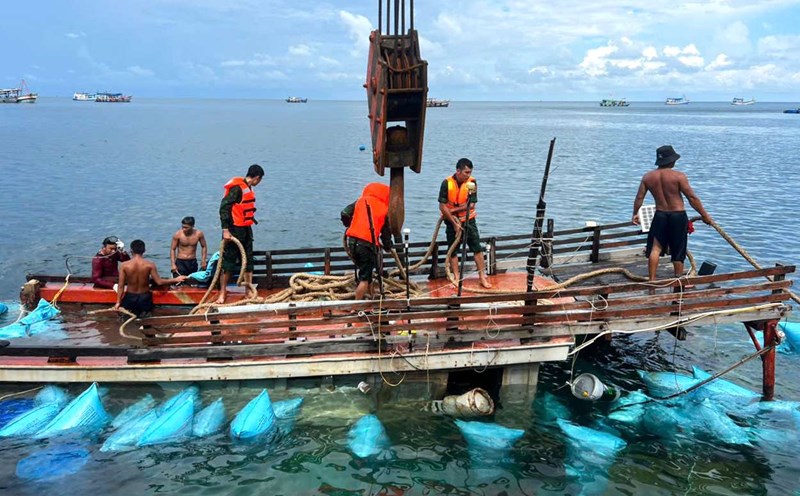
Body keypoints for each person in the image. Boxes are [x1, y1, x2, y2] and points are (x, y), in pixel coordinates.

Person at [632, 145, 712, 281]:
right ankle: (678, 279)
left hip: (660, 215)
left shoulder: (648, 177)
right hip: (677, 215)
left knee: (655, 249)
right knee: (678, 249)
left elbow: (639, 197)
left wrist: (635, 213)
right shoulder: (679, 176)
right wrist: (705, 215)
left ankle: (652, 279)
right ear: (671, 161)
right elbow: (692, 198)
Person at [438, 158, 492, 288]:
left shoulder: (472, 183)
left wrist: (454, 209)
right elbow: (442, 206)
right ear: (458, 171)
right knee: (453, 249)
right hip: (451, 221)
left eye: (470, 172)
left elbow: (471, 204)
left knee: (477, 248)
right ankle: (456, 277)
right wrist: (454, 222)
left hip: (468, 219)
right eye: (466, 172)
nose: (468, 175)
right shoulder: (446, 183)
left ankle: (482, 277)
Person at [217, 164, 264, 303]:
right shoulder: (237, 188)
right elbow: (224, 208)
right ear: (256, 178)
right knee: (228, 264)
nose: (259, 183)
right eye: (260, 180)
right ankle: (222, 292)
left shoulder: (248, 187)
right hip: (233, 230)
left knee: (248, 261)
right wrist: (225, 229)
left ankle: (249, 291)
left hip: (246, 229)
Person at [345, 182, 393, 300]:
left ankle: (372, 297)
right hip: (366, 244)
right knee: (365, 278)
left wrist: (350, 224)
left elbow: (344, 213)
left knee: (367, 271)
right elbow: (386, 235)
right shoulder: (384, 209)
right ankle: (356, 307)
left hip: (351, 241)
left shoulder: (360, 201)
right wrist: (388, 247)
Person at [114, 239, 186, 317]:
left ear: (131, 250)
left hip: (130, 296)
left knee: (127, 320)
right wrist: (176, 279)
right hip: (144, 297)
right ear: (144, 250)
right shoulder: (149, 264)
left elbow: (121, 285)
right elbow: (159, 282)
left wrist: (118, 302)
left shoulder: (124, 265)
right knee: (146, 322)